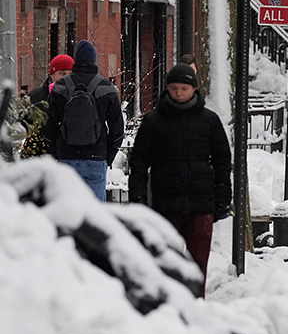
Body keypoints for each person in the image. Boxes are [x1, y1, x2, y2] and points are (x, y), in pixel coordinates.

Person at [127, 63, 232, 297]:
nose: (178, 93)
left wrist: (223, 199)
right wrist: (138, 197)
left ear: (194, 89)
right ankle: (170, 305)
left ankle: (196, 304)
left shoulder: (209, 121)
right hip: (166, 204)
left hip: (201, 205)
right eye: (174, 88)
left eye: (184, 88)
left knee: (198, 265)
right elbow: (139, 162)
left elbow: (223, 161)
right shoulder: (154, 121)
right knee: (166, 262)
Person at [43, 40, 123, 199]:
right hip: (95, 159)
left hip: (67, 159)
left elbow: (48, 128)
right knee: (95, 216)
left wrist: (57, 153)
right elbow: (118, 131)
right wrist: (106, 157)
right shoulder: (106, 88)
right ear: (94, 60)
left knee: (68, 213)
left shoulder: (60, 88)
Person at [20, 55, 74, 158]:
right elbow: (23, 124)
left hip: (67, 155)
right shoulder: (36, 96)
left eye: (70, 73)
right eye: (62, 73)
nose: (66, 77)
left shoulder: (77, 97)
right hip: (39, 155)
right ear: (52, 74)